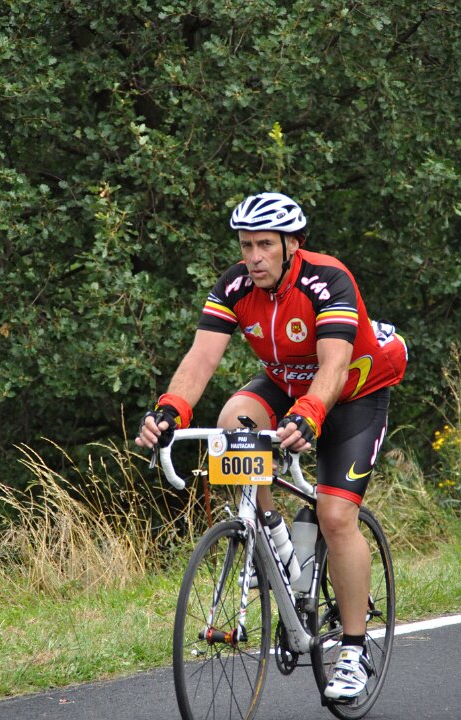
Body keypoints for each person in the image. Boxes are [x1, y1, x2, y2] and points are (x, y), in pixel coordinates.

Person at [136, 192, 407, 701]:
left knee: (335, 515)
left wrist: (310, 413)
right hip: (286, 380)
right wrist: (169, 410)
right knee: (230, 423)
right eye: (246, 245)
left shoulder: (328, 279)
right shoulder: (236, 285)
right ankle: (273, 533)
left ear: (292, 245)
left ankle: (353, 650)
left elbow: (333, 366)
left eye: (264, 245)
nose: (254, 257)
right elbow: (201, 358)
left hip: (354, 389)